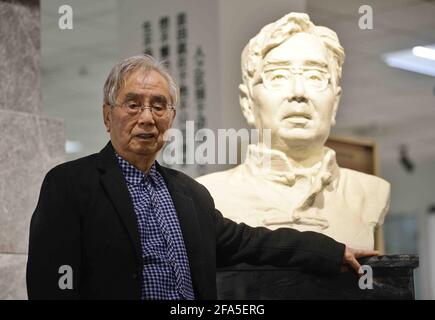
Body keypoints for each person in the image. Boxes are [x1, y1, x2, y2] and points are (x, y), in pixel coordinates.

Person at [27, 54, 377, 300]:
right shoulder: (70, 185)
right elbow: (50, 286)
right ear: (108, 115)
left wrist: (332, 251)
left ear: (172, 117)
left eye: (159, 105)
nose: (147, 117)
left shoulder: (189, 195)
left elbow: (248, 242)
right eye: (133, 104)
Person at [197, 12, 390, 250]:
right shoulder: (209, 196)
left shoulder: (369, 193)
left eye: (315, 76)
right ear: (248, 103)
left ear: (336, 102)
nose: (298, 92)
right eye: (278, 76)